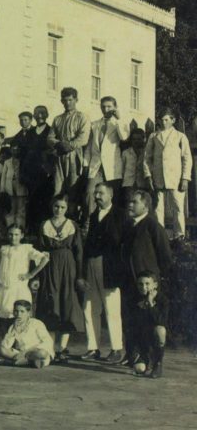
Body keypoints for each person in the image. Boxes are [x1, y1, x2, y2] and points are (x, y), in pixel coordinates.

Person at [120, 190, 173, 365]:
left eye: (134, 202)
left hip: (147, 286)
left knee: (149, 323)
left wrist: (155, 282)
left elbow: (165, 257)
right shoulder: (128, 225)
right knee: (130, 321)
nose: (130, 205)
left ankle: (153, 360)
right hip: (130, 283)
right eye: (129, 201)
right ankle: (132, 355)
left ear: (146, 205)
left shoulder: (152, 226)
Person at [34, 195, 86, 362]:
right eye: (56, 206)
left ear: (67, 208)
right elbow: (39, 251)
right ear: (52, 206)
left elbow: (79, 252)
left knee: (66, 304)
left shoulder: (72, 226)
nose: (59, 210)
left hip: (68, 267)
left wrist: (79, 275)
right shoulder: (44, 225)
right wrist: (37, 275)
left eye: (62, 207)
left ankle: (61, 348)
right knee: (50, 302)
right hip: (49, 266)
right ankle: (50, 348)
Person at [80, 182, 127, 363]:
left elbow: (124, 244)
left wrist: (120, 269)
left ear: (111, 195)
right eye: (95, 193)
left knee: (111, 308)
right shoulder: (93, 216)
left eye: (101, 193)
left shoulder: (121, 215)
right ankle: (93, 348)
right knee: (89, 307)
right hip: (92, 264)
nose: (97, 196)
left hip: (110, 268)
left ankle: (116, 349)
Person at [144, 108, 192, 239]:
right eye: (161, 120)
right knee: (158, 208)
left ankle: (179, 236)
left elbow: (187, 158)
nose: (163, 122)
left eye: (166, 119)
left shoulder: (180, 137)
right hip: (158, 177)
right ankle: (160, 236)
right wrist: (148, 175)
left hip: (175, 177)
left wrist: (185, 178)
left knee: (178, 207)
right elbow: (147, 158)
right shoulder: (154, 136)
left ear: (173, 120)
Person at [0, 224, 48, 322]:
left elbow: (44, 259)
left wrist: (31, 274)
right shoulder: (4, 249)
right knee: (5, 318)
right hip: (4, 288)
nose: (13, 237)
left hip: (19, 288)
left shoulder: (26, 248)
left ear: (22, 236)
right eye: (10, 234)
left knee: (19, 317)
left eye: (16, 235)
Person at [85, 97, 131, 212]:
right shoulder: (95, 124)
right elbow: (89, 147)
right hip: (96, 166)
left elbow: (124, 137)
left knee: (112, 197)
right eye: (103, 106)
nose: (106, 109)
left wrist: (119, 119)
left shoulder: (119, 123)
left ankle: (112, 225)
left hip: (112, 167)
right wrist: (86, 164)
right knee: (90, 195)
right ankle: (89, 224)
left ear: (115, 107)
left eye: (109, 106)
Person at [51, 87, 91, 217]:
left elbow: (83, 138)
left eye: (70, 100)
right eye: (65, 100)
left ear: (76, 100)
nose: (67, 103)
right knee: (57, 188)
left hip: (74, 156)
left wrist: (69, 145)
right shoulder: (57, 119)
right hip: (60, 156)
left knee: (73, 189)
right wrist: (58, 144)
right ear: (61, 101)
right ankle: (57, 218)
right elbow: (50, 137)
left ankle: (72, 220)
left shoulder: (82, 117)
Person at [20, 105, 57, 236]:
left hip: (45, 173)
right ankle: (32, 233)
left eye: (42, 113)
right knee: (32, 202)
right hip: (31, 173)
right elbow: (24, 153)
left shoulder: (51, 131)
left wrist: (49, 168)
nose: (39, 116)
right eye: (37, 114)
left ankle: (44, 232)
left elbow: (54, 151)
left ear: (47, 115)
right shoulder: (30, 132)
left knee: (45, 202)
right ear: (33, 116)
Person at [129, 271, 168, 378]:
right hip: (141, 341)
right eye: (140, 284)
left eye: (147, 283)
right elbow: (130, 328)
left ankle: (158, 364)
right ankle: (145, 360)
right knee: (140, 369)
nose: (143, 287)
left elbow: (160, 321)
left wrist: (150, 303)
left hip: (154, 339)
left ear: (155, 285)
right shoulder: (133, 300)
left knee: (160, 330)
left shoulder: (162, 300)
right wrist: (132, 353)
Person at [0, 300, 54, 369]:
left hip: (34, 352)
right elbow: (5, 346)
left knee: (42, 353)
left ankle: (15, 362)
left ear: (29, 313)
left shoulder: (37, 323)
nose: (18, 314)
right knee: (2, 349)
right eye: (16, 311)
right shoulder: (13, 326)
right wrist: (13, 331)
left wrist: (26, 352)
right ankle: (28, 362)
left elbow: (48, 341)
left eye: (22, 311)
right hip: (19, 353)